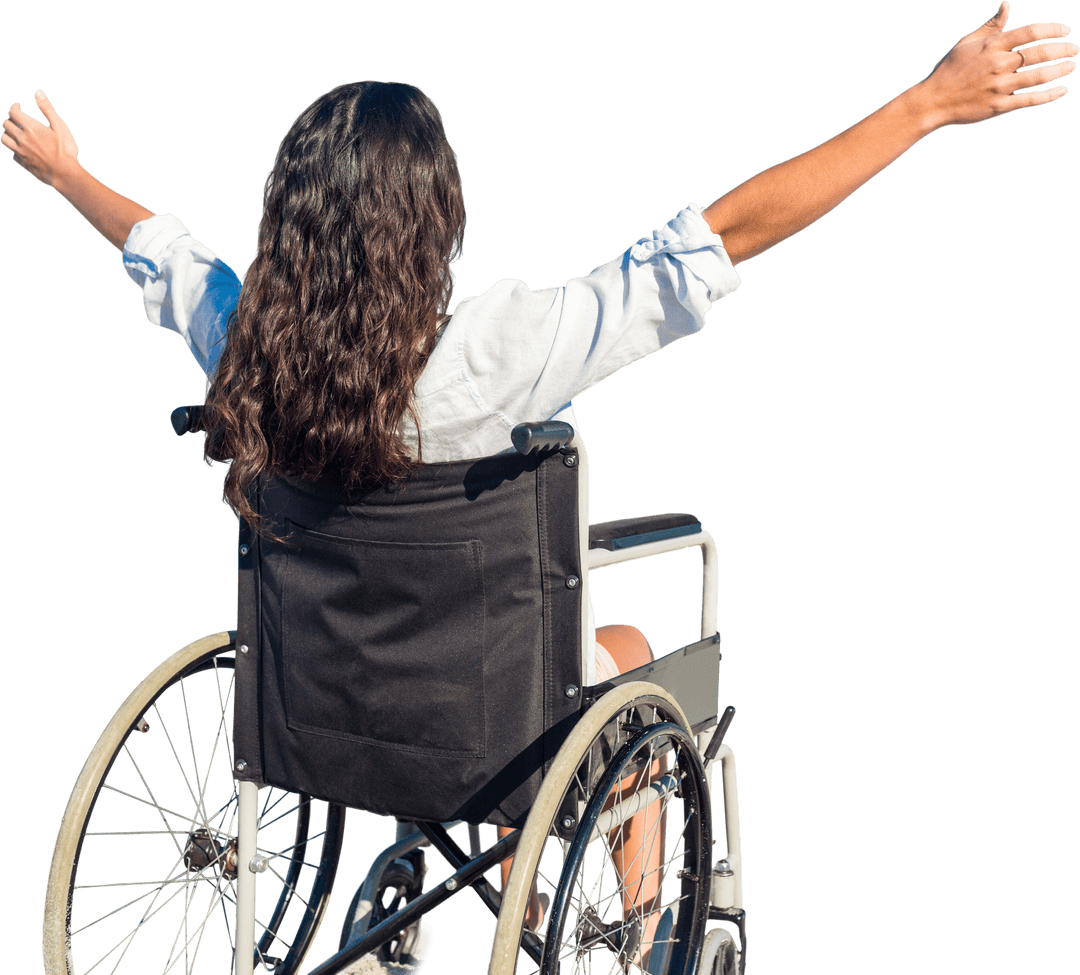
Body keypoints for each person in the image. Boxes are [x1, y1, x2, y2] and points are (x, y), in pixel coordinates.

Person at [4, 2, 1072, 971]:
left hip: (323, 717)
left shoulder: (248, 351)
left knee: (528, 661)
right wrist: (926, 105)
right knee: (633, 655)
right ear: (430, 221)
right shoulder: (500, 351)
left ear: (291, 223)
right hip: (501, 724)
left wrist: (62, 172)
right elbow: (722, 239)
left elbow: (157, 249)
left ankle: (484, 872)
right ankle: (642, 922)